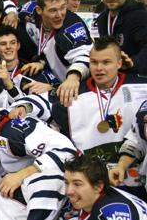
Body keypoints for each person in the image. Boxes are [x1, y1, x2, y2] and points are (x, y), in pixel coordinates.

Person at [11, 36, 147, 199]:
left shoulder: (142, 87)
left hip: (136, 181)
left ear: (119, 63)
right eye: (94, 62)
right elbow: (45, 102)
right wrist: (24, 107)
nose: (99, 68)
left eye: (106, 62)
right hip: (91, 186)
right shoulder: (73, 92)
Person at [18, 0, 93, 107]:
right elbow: (19, 12)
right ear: (39, 10)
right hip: (56, 79)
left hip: (78, 88)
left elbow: (84, 55)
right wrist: (41, 62)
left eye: (63, 8)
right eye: (53, 10)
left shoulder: (72, 25)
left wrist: (73, 78)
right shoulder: (30, 11)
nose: (60, 15)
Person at [96, 0, 147, 76]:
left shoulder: (140, 16)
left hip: (136, 79)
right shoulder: (102, 19)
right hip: (111, 77)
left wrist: (133, 62)